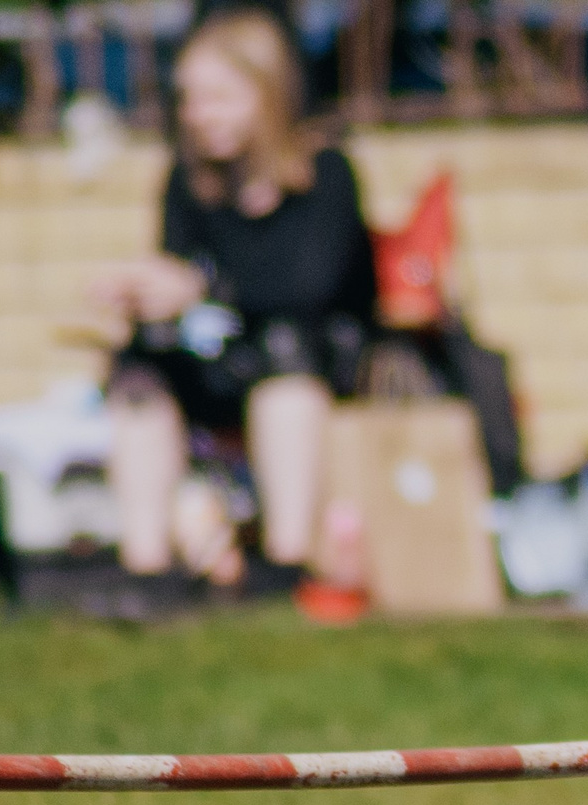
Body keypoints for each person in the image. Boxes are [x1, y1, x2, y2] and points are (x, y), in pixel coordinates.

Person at [88, 7, 374, 598]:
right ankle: (148, 568)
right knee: (138, 374)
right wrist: (147, 292)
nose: (197, 115)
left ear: (267, 95)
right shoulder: (186, 183)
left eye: (218, 97)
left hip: (318, 361)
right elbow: (180, 273)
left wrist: (201, 285)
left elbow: (310, 288)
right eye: (189, 100)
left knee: (285, 357)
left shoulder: (326, 175)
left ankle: (286, 560)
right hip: (219, 357)